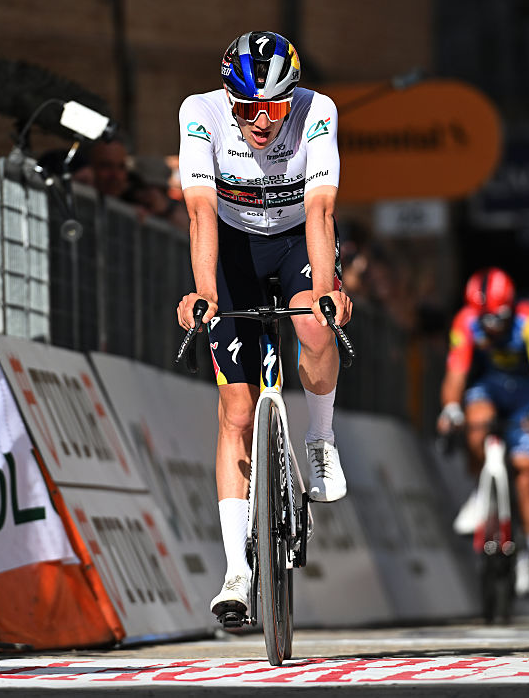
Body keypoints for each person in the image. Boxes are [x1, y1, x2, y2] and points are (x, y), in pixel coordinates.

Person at [175, 31, 351, 621]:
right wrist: (203, 292)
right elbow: (200, 211)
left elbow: (322, 209)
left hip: (298, 238)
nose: (261, 121)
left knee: (314, 325)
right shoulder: (199, 114)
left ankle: (320, 438)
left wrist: (326, 290)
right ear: (229, 100)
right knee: (236, 411)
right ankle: (236, 571)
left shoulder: (317, 111)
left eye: (275, 108)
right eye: (248, 108)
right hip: (232, 247)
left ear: (291, 99)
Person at [437, 267, 529, 597]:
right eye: (485, 320)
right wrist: (450, 408)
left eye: (498, 319)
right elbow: (455, 375)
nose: (492, 327)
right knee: (475, 424)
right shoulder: (466, 321)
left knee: (526, 469)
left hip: (525, 393)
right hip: (489, 388)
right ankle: (480, 491)